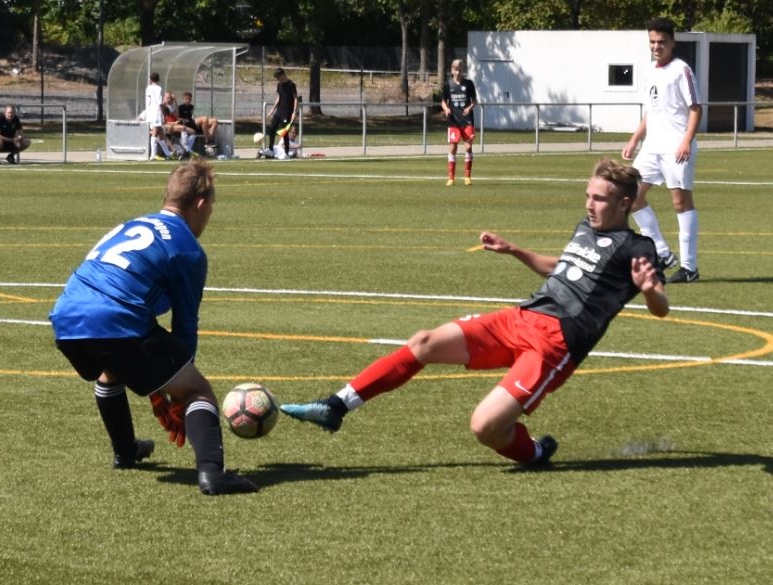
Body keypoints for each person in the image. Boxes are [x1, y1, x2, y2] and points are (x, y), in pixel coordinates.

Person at [281, 158, 670, 466]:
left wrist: (651, 290)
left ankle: (535, 452)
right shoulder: (584, 228)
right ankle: (335, 407)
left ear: (624, 204)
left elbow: (661, 309)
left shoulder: (638, 248)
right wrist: (514, 250)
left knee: (485, 427)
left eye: (599, 199)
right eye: (588, 195)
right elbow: (562, 268)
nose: (589, 204)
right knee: (424, 342)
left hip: (555, 344)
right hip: (520, 318)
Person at [49, 159, 258, 496]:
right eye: (211, 206)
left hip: (66, 318)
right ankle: (213, 474)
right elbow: (185, 327)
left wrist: (159, 385)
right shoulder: (187, 249)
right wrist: (176, 391)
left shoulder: (131, 224)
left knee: (112, 368)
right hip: (113, 318)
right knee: (197, 390)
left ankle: (125, 451)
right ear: (200, 205)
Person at [622, 17, 702, 284]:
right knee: (630, 196)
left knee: (680, 203)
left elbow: (696, 108)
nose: (656, 46)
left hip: (676, 147)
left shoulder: (681, 70)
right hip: (651, 147)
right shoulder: (649, 71)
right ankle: (663, 252)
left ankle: (689, 267)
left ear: (672, 43)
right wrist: (635, 139)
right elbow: (651, 111)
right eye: (653, 42)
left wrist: (686, 141)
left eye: (662, 42)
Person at [441, 59, 477, 186]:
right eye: (456, 69)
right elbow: (443, 101)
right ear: (452, 70)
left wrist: (469, 108)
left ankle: (467, 177)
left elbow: (475, 101)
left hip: (467, 121)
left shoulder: (469, 84)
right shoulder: (447, 85)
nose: (458, 72)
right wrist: (446, 109)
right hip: (453, 122)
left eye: (460, 70)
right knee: (453, 148)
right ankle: (451, 178)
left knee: (468, 147)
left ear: (463, 70)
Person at [265, 67, 299, 158]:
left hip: (287, 112)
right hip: (279, 111)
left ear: (283, 75)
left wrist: (294, 112)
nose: (278, 79)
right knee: (272, 128)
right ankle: (270, 149)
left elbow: (296, 98)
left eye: (278, 77)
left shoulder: (291, 85)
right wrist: (273, 109)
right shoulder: (279, 85)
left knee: (284, 132)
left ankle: (286, 153)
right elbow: (279, 97)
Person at [143, 72, 174, 161]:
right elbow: (160, 103)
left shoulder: (148, 88)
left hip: (150, 112)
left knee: (160, 134)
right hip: (156, 112)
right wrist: (164, 112)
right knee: (155, 132)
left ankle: (168, 154)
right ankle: (153, 155)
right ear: (158, 79)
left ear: (150, 79)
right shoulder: (158, 88)